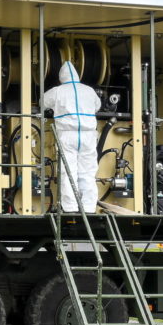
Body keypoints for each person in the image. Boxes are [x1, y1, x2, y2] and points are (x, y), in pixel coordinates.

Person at [42, 61, 101, 213]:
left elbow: (43, 102)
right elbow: (98, 106)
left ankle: (70, 207)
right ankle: (88, 207)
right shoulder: (89, 90)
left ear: (62, 77)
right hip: (88, 135)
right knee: (88, 171)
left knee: (68, 171)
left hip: (68, 135)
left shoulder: (57, 91)